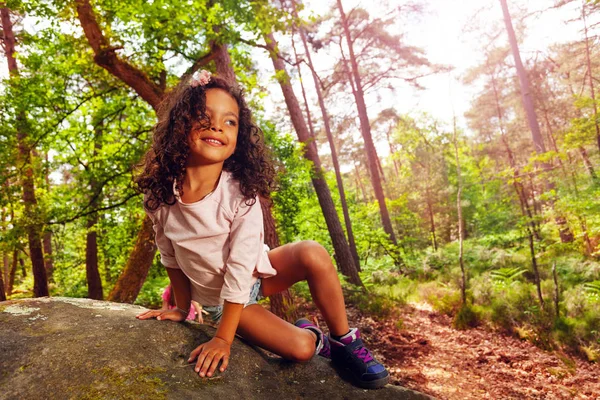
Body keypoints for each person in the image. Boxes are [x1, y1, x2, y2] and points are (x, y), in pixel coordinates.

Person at [135, 70, 389, 389]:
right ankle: (313, 335)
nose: (217, 126)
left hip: (254, 274)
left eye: (230, 121)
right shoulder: (160, 196)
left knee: (312, 252)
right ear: (180, 125)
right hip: (226, 301)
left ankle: (343, 341)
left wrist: (223, 341)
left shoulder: (240, 195)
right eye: (204, 116)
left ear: (239, 137)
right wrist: (182, 309)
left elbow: (242, 266)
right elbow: (169, 254)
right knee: (301, 349)